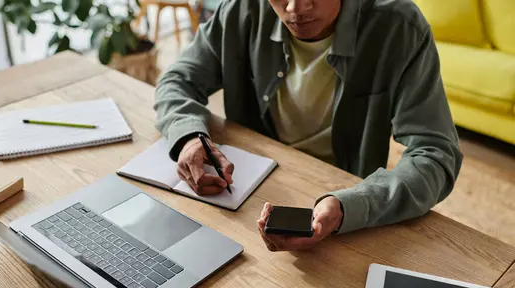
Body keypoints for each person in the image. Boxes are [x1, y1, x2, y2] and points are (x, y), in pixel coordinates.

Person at [154, 0, 462, 252]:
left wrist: (349, 206)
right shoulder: (240, 10)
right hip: (244, 199)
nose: (295, 8)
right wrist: (189, 138)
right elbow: (177, 80)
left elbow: (436, 154)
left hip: (346, 202)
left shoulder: (399, 27)